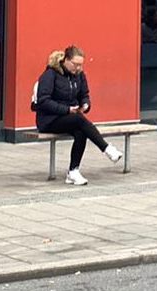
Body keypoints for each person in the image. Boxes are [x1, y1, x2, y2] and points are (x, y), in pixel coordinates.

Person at [34, 46, 120, 186]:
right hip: (49, 120)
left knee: (81, 131)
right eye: (75, 64)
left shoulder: (79, 75)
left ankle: (73, 171)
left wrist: (85, 105)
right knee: (79, 120)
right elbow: (43, 101)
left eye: (80, 64)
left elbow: (84, 95)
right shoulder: (50, 74)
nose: (78, 68)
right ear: (65, 60)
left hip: (70, 118)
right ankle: (106, 148)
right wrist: (67, 109)